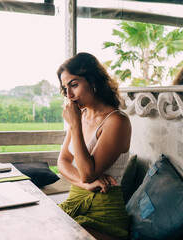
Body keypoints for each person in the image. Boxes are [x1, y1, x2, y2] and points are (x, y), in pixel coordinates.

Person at [56, 52, 131, 240]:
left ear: (93, 81)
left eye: (74, 85)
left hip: (103, 213)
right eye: (65, 88)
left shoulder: (116, 121)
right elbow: (63, 163)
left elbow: (87, 173)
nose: (69, 95)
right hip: (74, 202)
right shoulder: (81, 116)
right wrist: (86, 186)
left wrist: (74, 126)